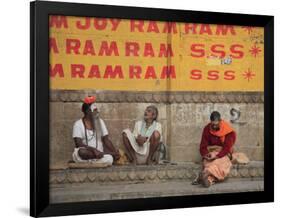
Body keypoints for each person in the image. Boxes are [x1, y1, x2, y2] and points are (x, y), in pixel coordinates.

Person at [72, 96, 120, 165]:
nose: (97, 112)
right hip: (86, 154)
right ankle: (95, 161)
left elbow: (106, 140)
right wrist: (93, 150)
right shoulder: (78, 124)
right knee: (81, 152)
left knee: (109, 158)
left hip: (99, 155)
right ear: (88, 111)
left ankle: (91, 162)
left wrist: (115, 152)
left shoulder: (100, 122)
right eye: (95, 110)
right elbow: (78, 144)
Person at [195, 111, 236, 187]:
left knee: (221, 163)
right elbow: (202, 147)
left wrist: (217, 156)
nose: (214, 127)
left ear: (220, 121)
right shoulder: (207, 129)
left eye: (216, 125)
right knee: (207, 162)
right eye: (212, 124)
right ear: (210, 122)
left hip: (223, 153)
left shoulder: (227, 130)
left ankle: (207, 174)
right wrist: (207, 155)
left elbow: (227, 148)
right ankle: (208, 180)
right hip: (211, 152)